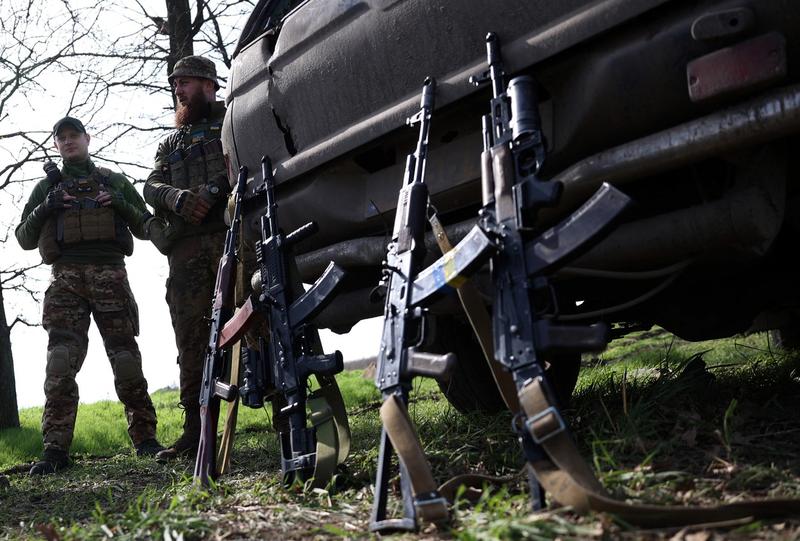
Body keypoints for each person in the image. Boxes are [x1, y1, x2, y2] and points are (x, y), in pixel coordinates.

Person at [15, 116, 164, 475]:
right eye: (61, 138)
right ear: (56, 145)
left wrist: (117, 201)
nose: (68, 142)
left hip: (111, 277)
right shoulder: (46, 189)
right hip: (65, 281)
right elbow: (22, 237)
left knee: (126, 360)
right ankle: (55, 451)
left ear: (87, 139)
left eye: (74, 136)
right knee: (60, 363)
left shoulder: (114, 181)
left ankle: (145, 440)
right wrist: (47, 206)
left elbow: (146, 228)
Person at [144, 55, 231, 460]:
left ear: (209, 84)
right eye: (176, 84)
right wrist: (178, 199)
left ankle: (286, 418)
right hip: (187, 254)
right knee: (190, 340)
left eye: (186, 83)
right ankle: (195, 431)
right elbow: (151, 185)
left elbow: (243, 161)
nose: (179, 90)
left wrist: (212, 193)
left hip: (233, 240)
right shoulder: (171, 141)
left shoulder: (232, 120)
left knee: (258, 326)